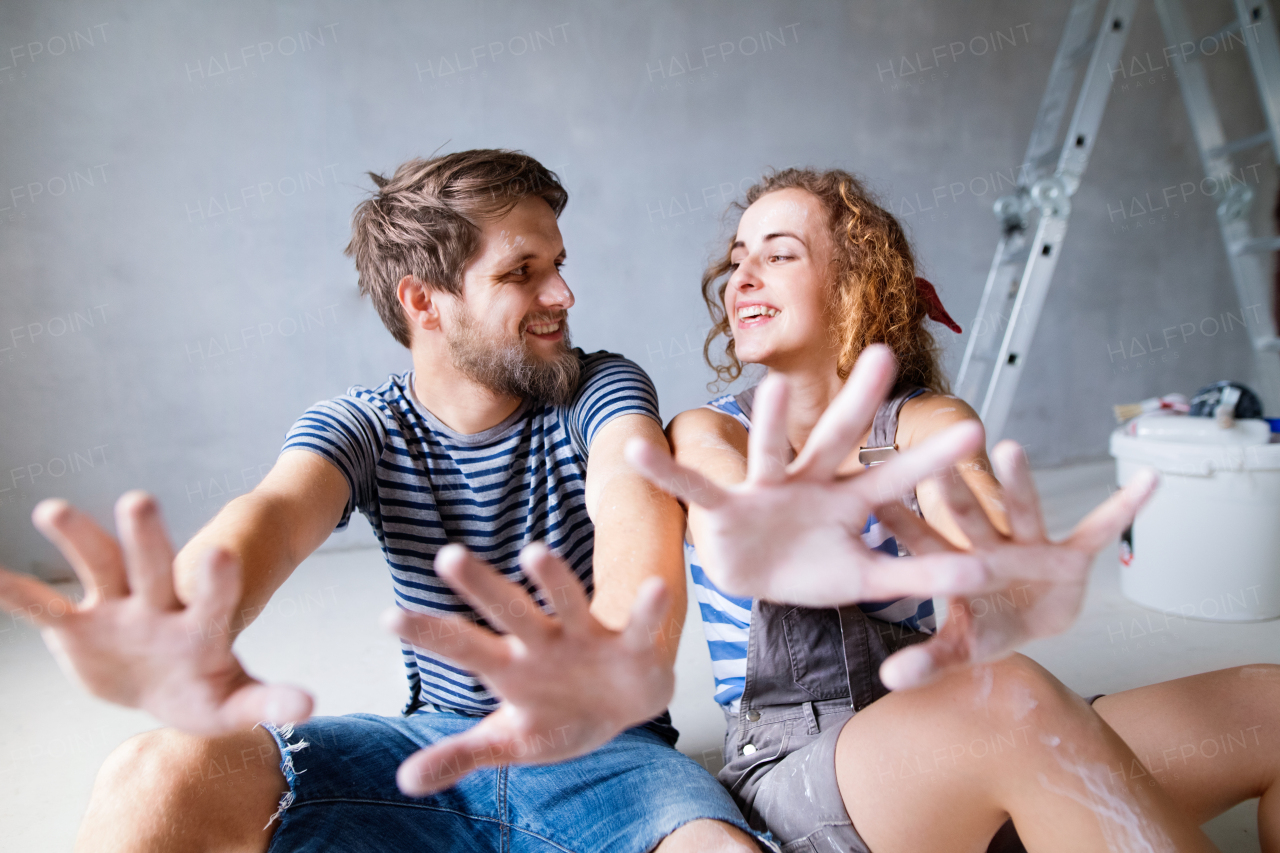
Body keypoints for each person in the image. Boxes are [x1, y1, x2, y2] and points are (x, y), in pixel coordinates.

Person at [0, 150, 787, 853]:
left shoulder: (600, 388)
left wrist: (616, 653)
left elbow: (630, 493)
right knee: (153, 771)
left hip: (611, 758)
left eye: (558, 263)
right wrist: (187, 615)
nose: (562, 292)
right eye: (521, 272)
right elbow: (273, 518)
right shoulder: (364, 424)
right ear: (425, 300)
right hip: (424, 757)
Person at [622, 167, 1280, 852]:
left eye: (779, 253)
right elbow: (737, 524)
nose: (744, 275)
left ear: (854, 289)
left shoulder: (924, 420)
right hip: (808, 778)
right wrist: (779, 529)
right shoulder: (709, 429)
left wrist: (999, 571)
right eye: (737, 259)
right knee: (1008, 697)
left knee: (1269, 705)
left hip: (972, 740)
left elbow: (967, 502)